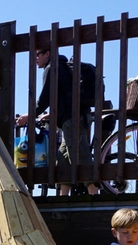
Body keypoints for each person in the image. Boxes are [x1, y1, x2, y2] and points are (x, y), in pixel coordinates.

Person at [15, 47, 98, 196]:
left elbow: (45, 97)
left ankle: (94, 194)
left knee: (80, 154)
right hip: (77, 116)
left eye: (37, 55)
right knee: (63, 156)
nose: (35, 59)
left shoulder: (52, 68)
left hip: (72, 119)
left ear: (47, 54)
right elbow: (64, 96)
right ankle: (63, 195)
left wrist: (30, 115)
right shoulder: (63, 67)